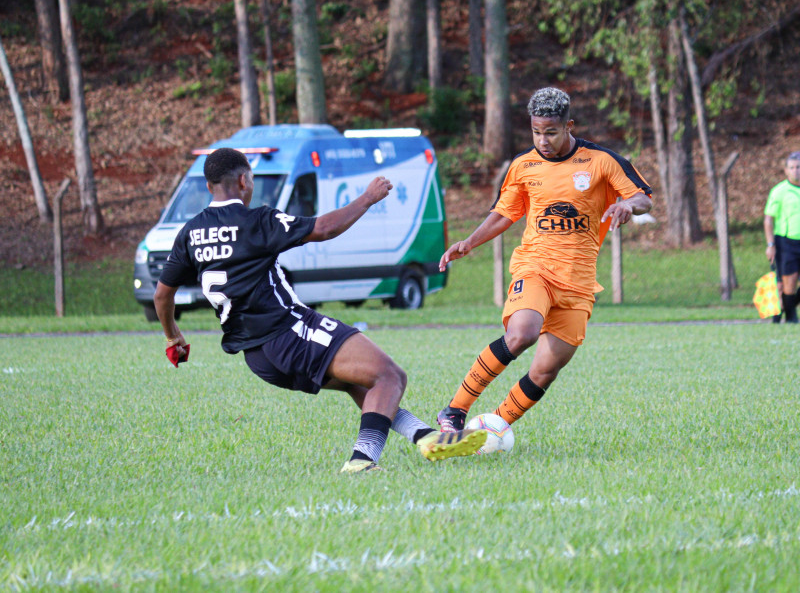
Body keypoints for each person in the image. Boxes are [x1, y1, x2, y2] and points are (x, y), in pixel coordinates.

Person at [153, 147, 485, 473]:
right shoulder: (256, 220)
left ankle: (427, 437)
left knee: (365, 384)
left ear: (208, 186)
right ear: (243, 181)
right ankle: (363, 461)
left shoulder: (189, 233)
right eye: (251, 180)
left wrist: (173, 336)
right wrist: (366, 198)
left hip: (257, 357)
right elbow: (323, 229)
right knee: (390, 375)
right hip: (289, 331)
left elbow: (162, 296)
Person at [435, 87, 653, 433]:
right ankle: (455, 410)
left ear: (569, 125)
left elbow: (643, 198)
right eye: (536, 132)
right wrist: (470, 242)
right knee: (522, 334)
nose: (543, 140)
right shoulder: (523, 166)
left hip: (579, 282)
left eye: (550, 132)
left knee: (545, 371)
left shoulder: (601, 161)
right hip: (536, 267)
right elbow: (503, 214)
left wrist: (627, 205)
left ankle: (494, 429)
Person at [764, 151, 800, 324]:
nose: (795, 171)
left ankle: (785, 309)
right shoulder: (779, 191)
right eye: (792, 168)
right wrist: (770, 244)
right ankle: (791, 319)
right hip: (786, 242)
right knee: (787, 287)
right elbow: (768, 219)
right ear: (786, 171)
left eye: (798, 167)